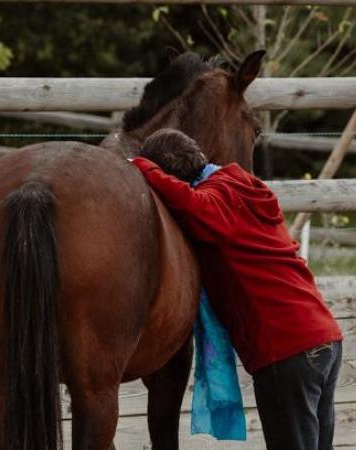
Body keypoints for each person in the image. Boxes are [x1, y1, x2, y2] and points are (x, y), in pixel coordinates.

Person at [131, 128, 343, 450]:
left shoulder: (218, 199)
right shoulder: (243, 185)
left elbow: (191, 204)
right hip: (324, 338)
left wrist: (140, 167)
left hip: (285, 349)